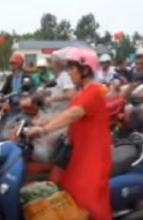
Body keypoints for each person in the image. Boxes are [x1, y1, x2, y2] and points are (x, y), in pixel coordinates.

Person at [26, 47, 112, 220]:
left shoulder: (94, 91)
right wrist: (39, 122)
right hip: (80, 152)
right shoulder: (81, 93)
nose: (69, 72)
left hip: (94, 155)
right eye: (69, 67)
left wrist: (43, 130)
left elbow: (72, 114)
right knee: (70, 193)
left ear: (85, 69)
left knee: (89, 201)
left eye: (72, 68)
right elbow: (65, 114)